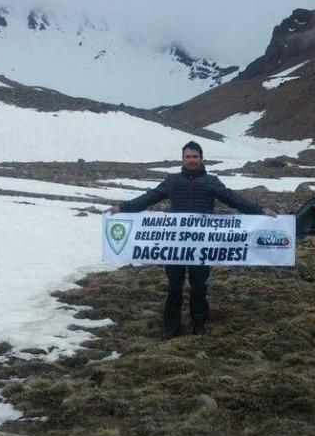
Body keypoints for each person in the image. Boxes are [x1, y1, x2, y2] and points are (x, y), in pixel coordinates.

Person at [108, 141, 277, 339]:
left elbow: (234, 200)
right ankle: (171, 327)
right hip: (175, 246)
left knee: (199, 285)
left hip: (201, 246)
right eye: (188, 157)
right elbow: (148, 199)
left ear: (202, 159)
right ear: (183, 159)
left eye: (195, 157)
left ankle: (199, 325)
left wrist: (260, 211)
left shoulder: (212, 181)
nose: (191, 160)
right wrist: (122, 207)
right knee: (174, 286)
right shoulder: (172, 181)